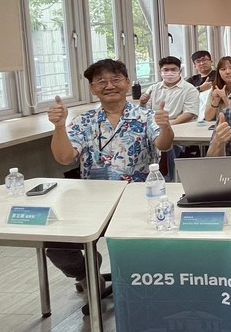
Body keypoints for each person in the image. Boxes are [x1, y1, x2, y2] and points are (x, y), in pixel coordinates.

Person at [47, 58, 172, 312]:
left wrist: (165, 126)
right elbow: (64, 157)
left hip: (137, 202)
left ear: (127, 82)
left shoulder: (145, 116)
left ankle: (138, 285)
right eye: (101, 81)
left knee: (136, 250)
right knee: (57, 246)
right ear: (92, 88)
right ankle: (87, 276)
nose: (109, 85)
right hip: (92, 202)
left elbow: (164, 144)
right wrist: (59, 127)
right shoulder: (84, 120)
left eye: (116, 79)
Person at [139, 56, 198, 124]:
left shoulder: (190, 89)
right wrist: (142, 103)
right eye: (166, 70)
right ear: (160, 72)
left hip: (180, 124)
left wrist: (168, 125)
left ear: (180, 71)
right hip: (156, 124)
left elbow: (189, 113)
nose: (170, 73)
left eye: (173, 70)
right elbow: (145, 112)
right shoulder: (153, 88)